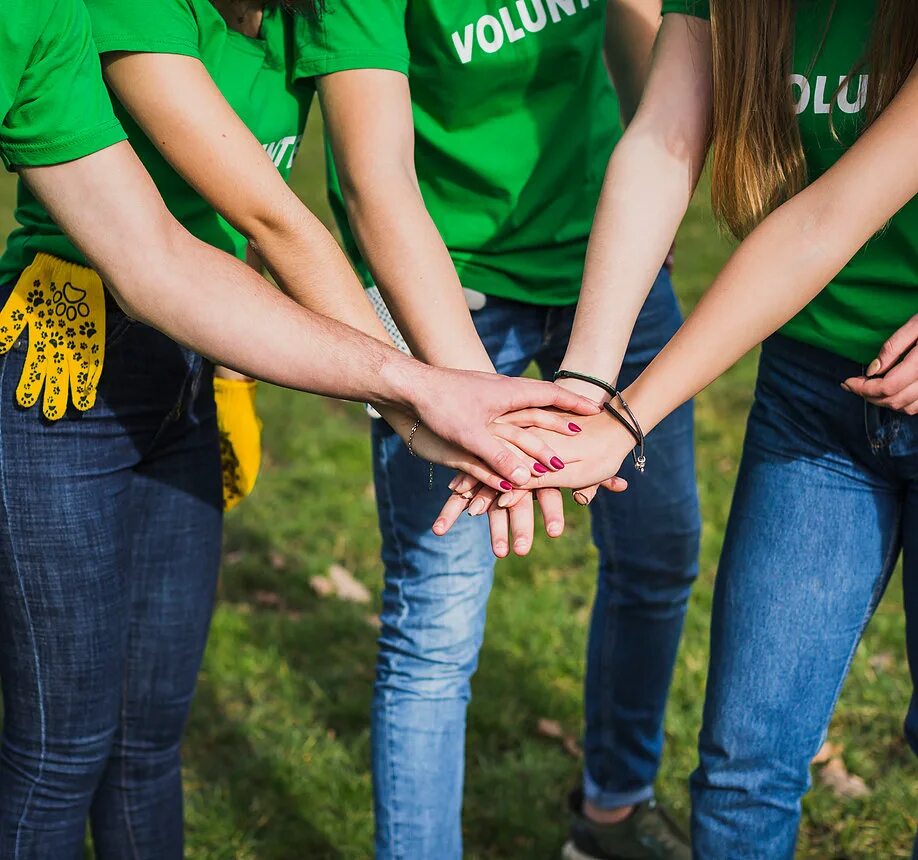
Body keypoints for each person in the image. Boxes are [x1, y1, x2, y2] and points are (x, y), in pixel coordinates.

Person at [0, 1, 600, 856]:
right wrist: (420, 396)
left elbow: (263, 234)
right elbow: (269, 222)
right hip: (65, 371)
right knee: (62, 752)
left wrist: (429, 404)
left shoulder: (309, 16)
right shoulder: (118, 10)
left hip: (192, 361)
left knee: (145, 745)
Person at [444, 2, 918, 855]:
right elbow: (662, 142)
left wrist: (627, 417)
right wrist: (584, 388)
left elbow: (827, 219)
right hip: (814, 386)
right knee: (744, 764)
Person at [297, 1, 701, 857]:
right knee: (436, 625)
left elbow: (645, 35)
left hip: (607, 265)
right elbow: (376, 185)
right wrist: (466, 394)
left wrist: (652, 204)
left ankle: (613, 813)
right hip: (449, 288)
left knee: (659, 550)